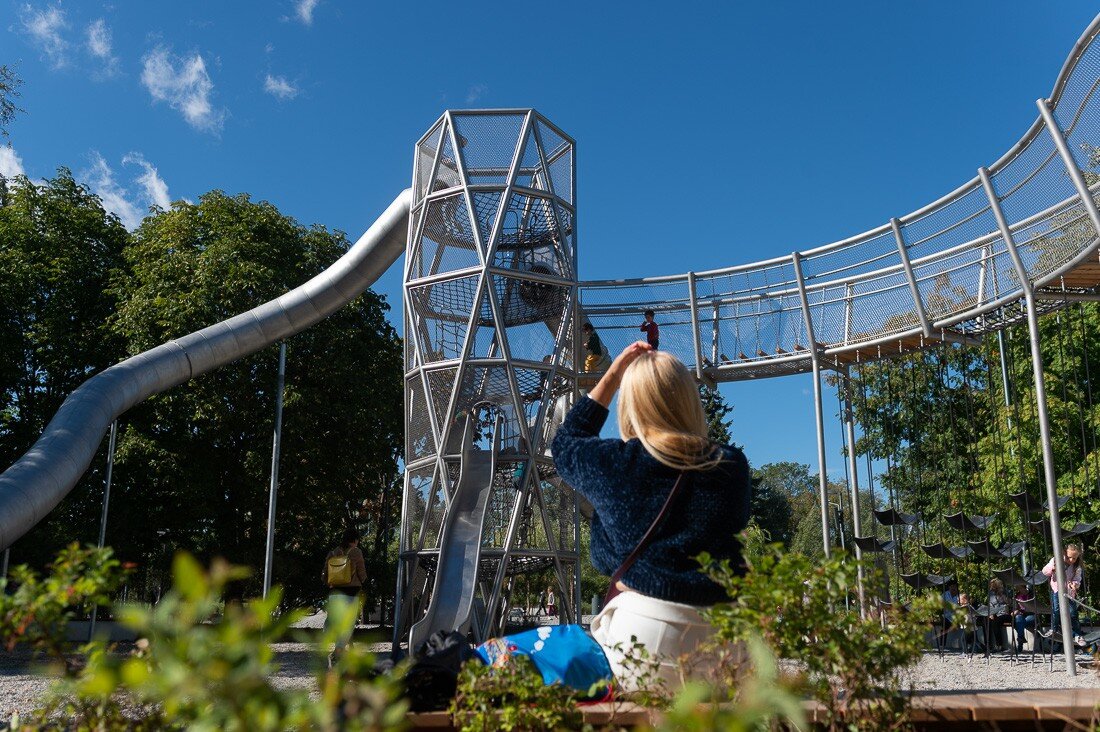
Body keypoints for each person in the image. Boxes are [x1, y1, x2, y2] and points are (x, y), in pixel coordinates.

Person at [551, 342, 752, 691]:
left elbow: (566, 442)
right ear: (690, 400)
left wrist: (612, 376)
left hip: (644, 636)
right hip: (725, 640)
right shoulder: (731, 466)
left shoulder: (614, 463)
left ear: (632, 404)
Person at [323, 528, 367, 665]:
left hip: (335, 592)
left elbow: (325, 572)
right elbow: (361, 571)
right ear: (354, 540)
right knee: (347, 624)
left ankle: (338, 649)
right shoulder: (356, 552)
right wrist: (363, 581)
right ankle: (337, 653)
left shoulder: (333, 552)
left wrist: (328, 583)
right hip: (350, 592)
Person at [1043, 543, 1086, 647]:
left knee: (1073, 613)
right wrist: (1052, 569)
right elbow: (1044, 571)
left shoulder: (1076, 567)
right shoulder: (1055, 560)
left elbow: (1077, 579)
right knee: (1056, 610)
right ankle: (1054, 628)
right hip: (1057, 590)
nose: (1071, 560)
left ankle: (1078, 635)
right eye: (1069, 557)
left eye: (1074, 558)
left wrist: (1075, 585)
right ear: (1064, 554)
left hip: (1069, 593)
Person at [986, 578, 1011, 652]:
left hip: (1004, 613)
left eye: (992, 585)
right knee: (987, 622)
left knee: (996, 622)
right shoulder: (991, 593)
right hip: (995, 613)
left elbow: (1009, 603)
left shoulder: (1005, 591)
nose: (991, 586)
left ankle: (999, 645)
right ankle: (988, 645)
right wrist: (991, 614)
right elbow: (990, 605)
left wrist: (1002, 595)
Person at [1013, 583, 1036, 653]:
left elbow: (1034, 608)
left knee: (1020, 622)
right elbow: (1015, 608)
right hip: (1021, 615)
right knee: (1018, 618)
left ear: (1023, 587)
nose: (1017, 589)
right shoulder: (1017, 595)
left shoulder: (1031, 595)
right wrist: (1016, 611)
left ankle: (1020, 640)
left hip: (1031, 614)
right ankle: (1021, 638)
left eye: (1019, 587)